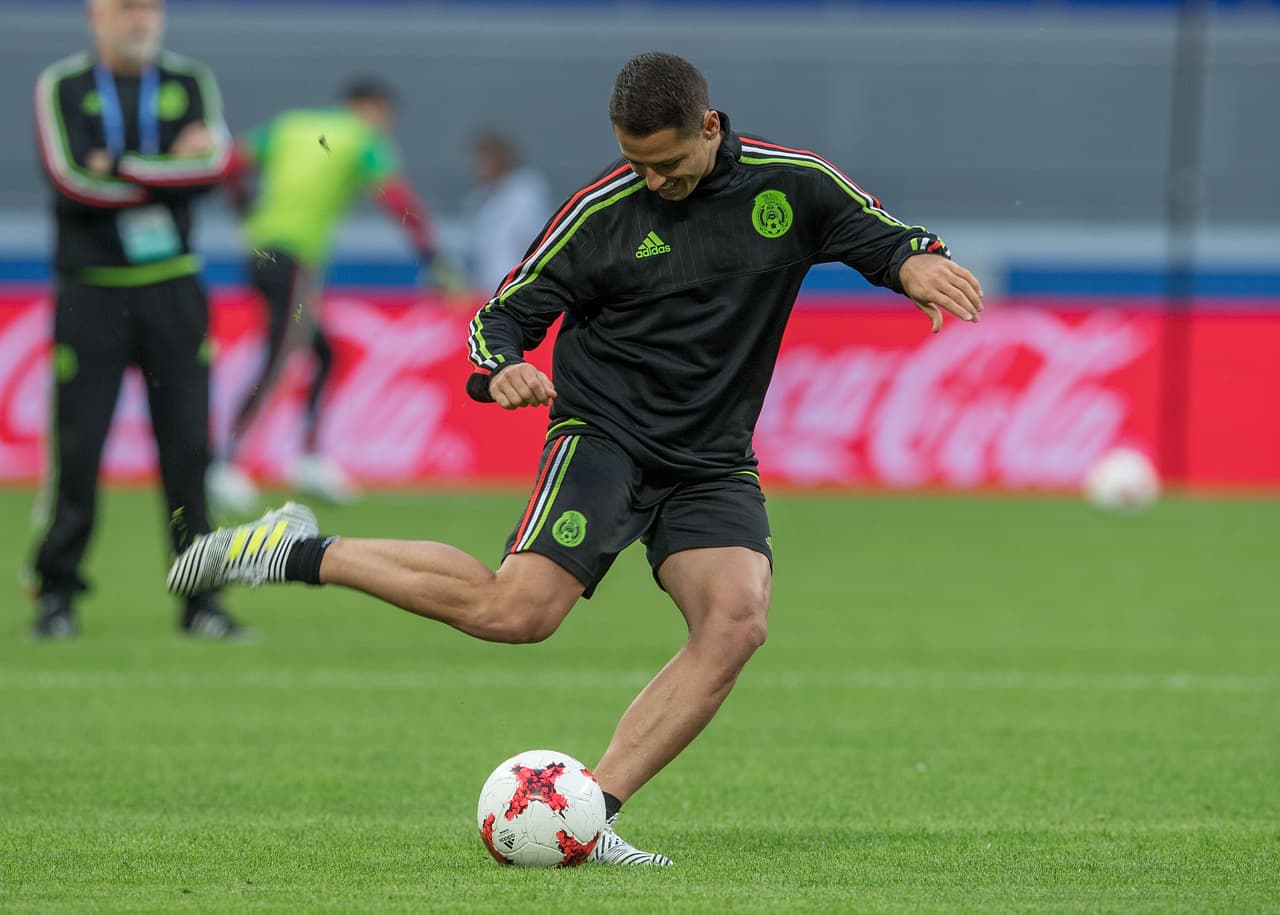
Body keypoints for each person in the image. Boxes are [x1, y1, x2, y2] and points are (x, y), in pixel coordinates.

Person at [167, 52, 984, 861]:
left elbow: (881, 235)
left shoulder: (793, 183)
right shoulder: (602, 210)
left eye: (667, 164)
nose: (652, 180)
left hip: (711, 455)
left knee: (735, 623)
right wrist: (502, 368)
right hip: (605, 435)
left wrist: (914, 259)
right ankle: (297, 547)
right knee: (516, 613)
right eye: (635, 162)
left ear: (709, 126)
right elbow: (500, 316)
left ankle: (591, 817)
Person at [28, 0, 240, 639]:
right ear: (94, 15)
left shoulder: (188, 80)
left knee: (188, 451)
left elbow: (213, 167)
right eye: (124, 7)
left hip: (173, 289)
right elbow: (72, 180)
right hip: (91, 293)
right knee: (78, 450)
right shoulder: (63, 85)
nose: (139, 18)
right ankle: (57, 596)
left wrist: (117, 164)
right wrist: (165, 169)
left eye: (149, 6)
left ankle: (202, 601)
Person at [208, 78, 464, 513]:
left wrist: (243, 206)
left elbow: (229, 163)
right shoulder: (362, 139)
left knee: (321, 353)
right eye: (385, 119)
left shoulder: (290, 126)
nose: (385, 128)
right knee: (282, 355)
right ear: (372, 108)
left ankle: (308, 461)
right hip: (294, 256)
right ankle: (223, 464)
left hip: (260, 251)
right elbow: (398, 201)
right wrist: (433, 256)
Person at [462, 130, 553, 294]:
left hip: (519, 290)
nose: (477, 168)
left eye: (483, 161)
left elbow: (532, 241)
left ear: (499, 158)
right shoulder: (482, 198)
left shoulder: (526, 191)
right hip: (488, 291)